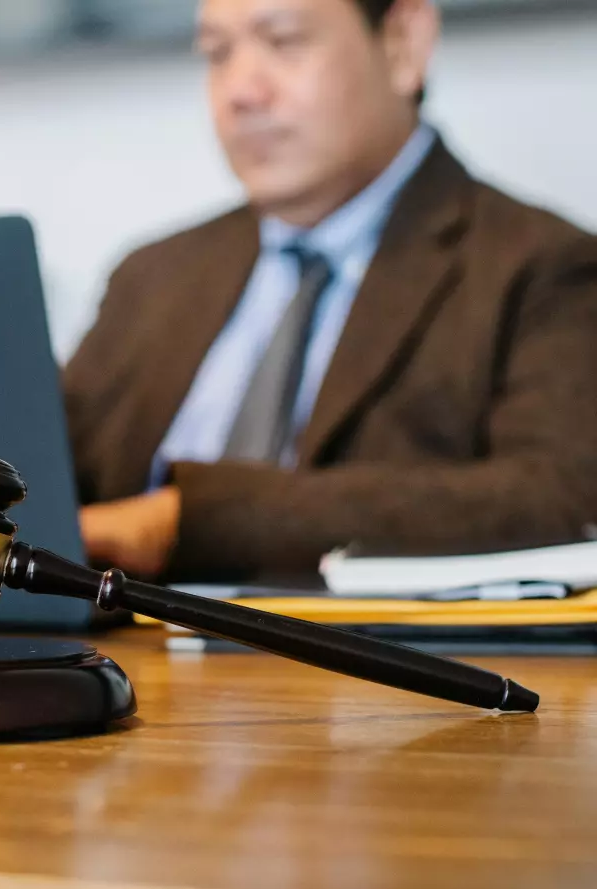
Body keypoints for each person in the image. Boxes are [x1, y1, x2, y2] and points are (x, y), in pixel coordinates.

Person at [64, 0, 597, 582]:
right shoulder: (152, 276)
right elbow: (41, 478)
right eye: (217, 53)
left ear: (402, 46)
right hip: (110, 663)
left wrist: (182, 522)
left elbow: (556, 500)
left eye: (284, 41)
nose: (241, 91)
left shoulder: (542, 266)